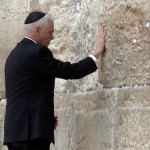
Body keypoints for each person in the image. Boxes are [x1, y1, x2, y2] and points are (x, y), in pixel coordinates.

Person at [4, 11, 105, 150]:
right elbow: (70, 71)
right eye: (50, 32)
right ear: (38, 30)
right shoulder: (37, 53)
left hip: (15, 133)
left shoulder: (14, 54)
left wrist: (45, 118)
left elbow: (27, 92)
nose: (53, 37)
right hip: (31, 134)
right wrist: (96, 53)